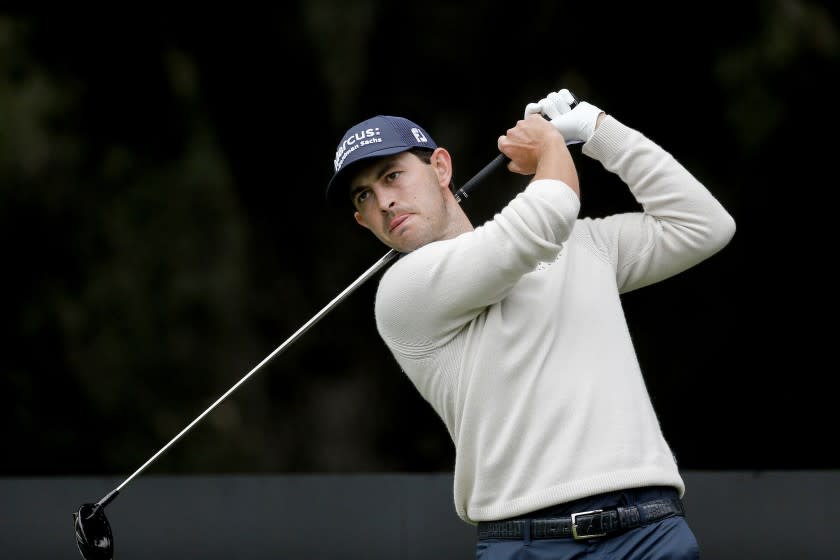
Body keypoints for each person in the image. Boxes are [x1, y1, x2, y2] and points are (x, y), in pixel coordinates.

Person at [324, 89, 736, 559]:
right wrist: (552, 145)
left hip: (649, 530)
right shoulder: (403, 292)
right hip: (529, 543)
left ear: (441, 167)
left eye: (393, 176)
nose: (385, 202)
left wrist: (599, 130)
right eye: (366, 195)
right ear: (362, 220)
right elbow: (544, 216)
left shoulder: (583, 245)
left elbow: (704, 225)